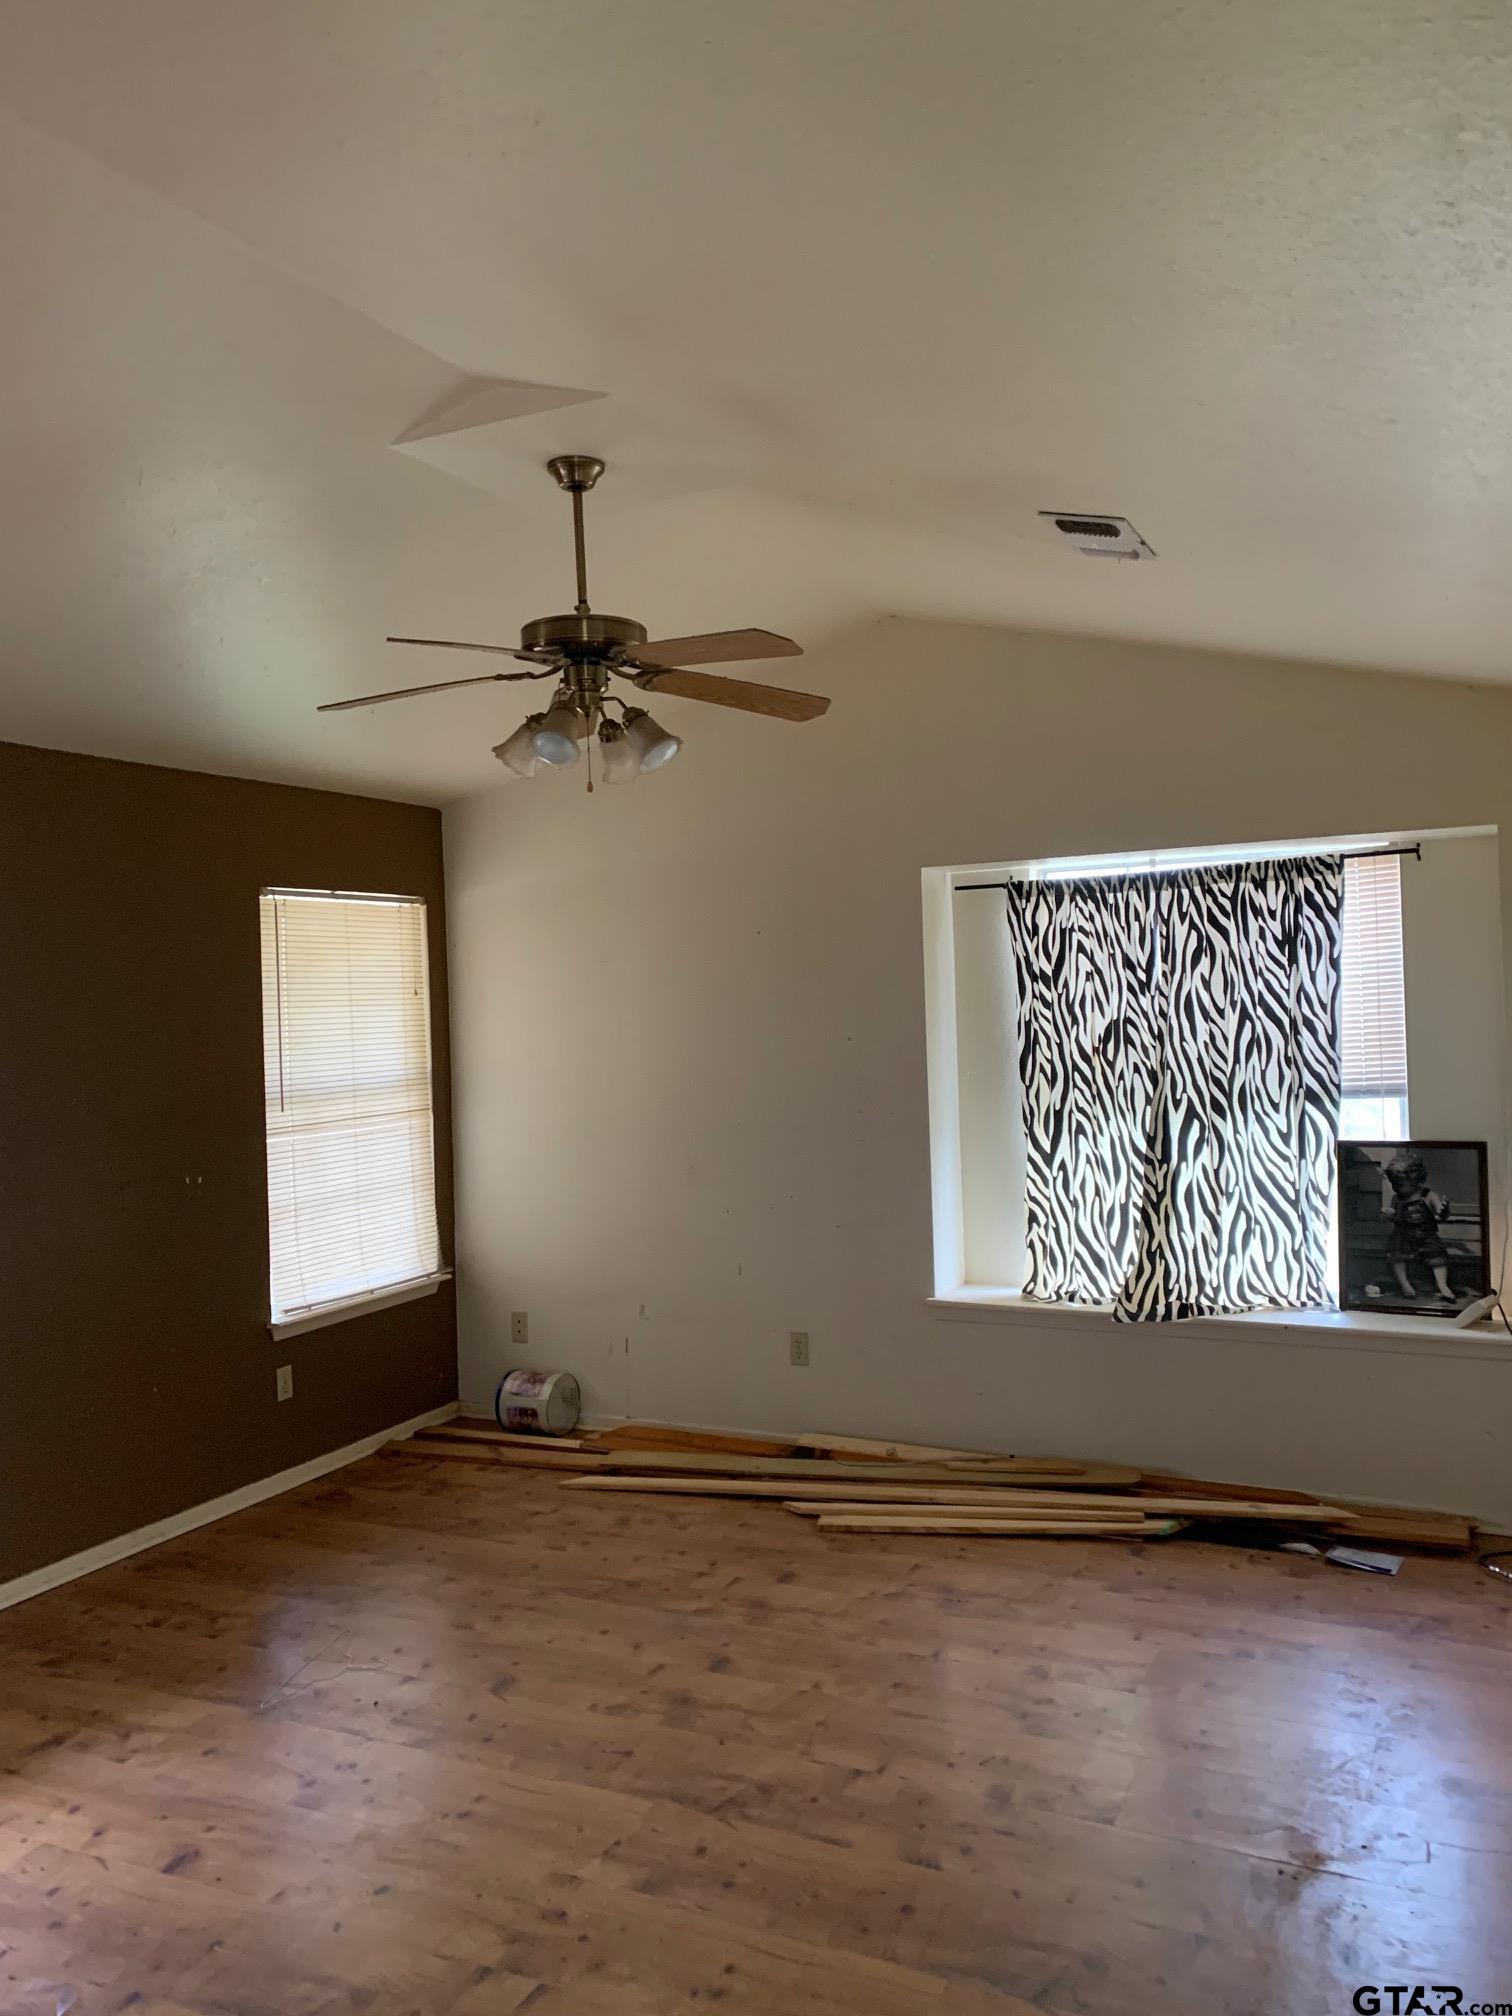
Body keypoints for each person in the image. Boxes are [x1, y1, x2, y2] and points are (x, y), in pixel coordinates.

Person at [1382, 1149, 1455, 1304]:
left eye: (1400, 1184)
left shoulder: (1428, 1195)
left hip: (1426, 1235)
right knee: (1396, 1255)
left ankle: (1442, 1285)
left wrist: (1444, 1210)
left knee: (1438, 1257)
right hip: (1403, 1235)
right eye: (1394, 1184)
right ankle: (1405, 1284)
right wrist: (1388, 1214)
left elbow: (1441, 1216)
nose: (1397, 1187)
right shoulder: (1397, 1198)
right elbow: (1393, 1217)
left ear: (1416, 1179)